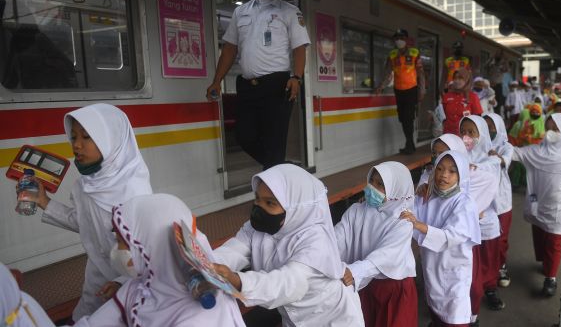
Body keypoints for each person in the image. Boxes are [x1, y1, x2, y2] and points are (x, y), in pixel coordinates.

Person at [20, 104, 152, 321]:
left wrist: (122, 283)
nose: (76, 146)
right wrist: (44, 202)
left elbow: (150, 256)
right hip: (96, 277)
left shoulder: (135, 193)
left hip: (131, 282)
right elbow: (85, 223)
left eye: (86, 137)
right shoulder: (85, 184)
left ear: (111, 139)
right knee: (84, 316)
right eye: (73, 137)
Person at [211, 164, 365, 326]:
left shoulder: (315, 240)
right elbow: (234, 250)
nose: (259, 207)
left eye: (270, 203)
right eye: (257, 199)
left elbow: (287, 283)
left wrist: (237, 280)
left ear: (295, 208)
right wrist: (208, 264)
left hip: (332, 319)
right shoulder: (257, 228)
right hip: (293, 317)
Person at [72, 194, 246, 327]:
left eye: (120, 243)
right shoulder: (142, 288)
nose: (115, 251)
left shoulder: (200, 317)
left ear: (149, 248)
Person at [205, 0, 310, 169]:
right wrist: (216, 81)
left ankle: (274, 180)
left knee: (274, 142)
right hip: (247, 86)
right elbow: (229, 49)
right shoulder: (241, 12)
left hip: (277, 86)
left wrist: (296, 77)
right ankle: (280, 168)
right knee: (244, 136)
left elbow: (300, 48)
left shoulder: (290, 11)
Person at [400, 151, 480, 327]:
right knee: (436, 309)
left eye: (452, 171)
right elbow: (407, 214)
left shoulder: (464, 203)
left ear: (461, 175)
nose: (444, 175)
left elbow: (453, 236)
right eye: (440, 169)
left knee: (455, 315)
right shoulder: (428, 196)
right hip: (431, 267)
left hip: (454, 272)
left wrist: (420, 225)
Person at [334, 162, 418, 327]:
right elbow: (339, 236)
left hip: (393, 288)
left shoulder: (402, 221)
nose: (372, 187)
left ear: (396, 189)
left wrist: (355, 270)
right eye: (371, 181)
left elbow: (385, 257)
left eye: (380, 184)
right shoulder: (357, 210)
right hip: (363, 282)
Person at [512, 113, 561, 296]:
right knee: (539, 230)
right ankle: (546, 264)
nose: (550, 133)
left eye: (555, 129)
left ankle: (551, 279)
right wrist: (497, 149)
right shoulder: (537, 151)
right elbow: (516, 152)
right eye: (548, 128)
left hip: (559, 206)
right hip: (536, 200)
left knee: (554, 240)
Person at [459, 116, 504, 318]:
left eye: (471, 132)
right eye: (463, 132)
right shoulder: (458, 158)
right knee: (472, 267)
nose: (466, 136)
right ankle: (470, 301)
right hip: (465, 225)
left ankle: (490, 289)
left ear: (482, 134)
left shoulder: (492, 160)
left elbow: (492, 186)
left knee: (488, 261)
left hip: (486, 223)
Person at [375, 29, 426, 154]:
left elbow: (421, 73)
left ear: (407, 39)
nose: (399, 40)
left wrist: (422, 90)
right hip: (398, 90)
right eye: (397, 37)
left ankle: (409, 144)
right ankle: (410, 143)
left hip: (411, 90)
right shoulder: (392, 55)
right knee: (402, 118)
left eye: (401, 37)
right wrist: (381, 86)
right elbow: (388, 73)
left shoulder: (415, 53)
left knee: (408, 117)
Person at [483, 113, 515, 288]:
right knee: (484, 239)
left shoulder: (506, 147)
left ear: (499, 128)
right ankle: (485, 273)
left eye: (492, 127)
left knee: (501, 238)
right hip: (483, 202)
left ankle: (501, 266)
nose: (489, 131)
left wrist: (495, 156)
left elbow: (504, 162)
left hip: (501, 201)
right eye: (485, 127)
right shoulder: (477, 145)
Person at [441, 68, 483, 135]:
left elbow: (478, 119)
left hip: (466, 136)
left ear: (466, 80)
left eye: (460, 78)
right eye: (455, 78)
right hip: (449, 135)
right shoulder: (446, 96)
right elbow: (442, 116)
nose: (457, 81)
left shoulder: (473, 96)